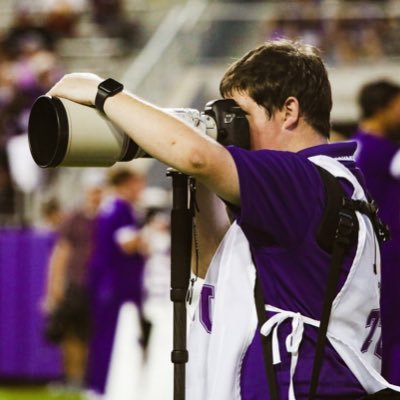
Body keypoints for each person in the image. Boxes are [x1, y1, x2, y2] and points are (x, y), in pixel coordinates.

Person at [46, 39, 400, 398]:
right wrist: (198, 158)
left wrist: (102, 91)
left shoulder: (302, 180)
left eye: (241, 115)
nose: (235, 131)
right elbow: (210, 271)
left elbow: (197, 157)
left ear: (289, 110)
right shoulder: (332, 184)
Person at [85, 167, 148, 398]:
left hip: (105, 281)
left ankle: (97, 386)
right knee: (113, 337)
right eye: (138, 183)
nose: (141, 189)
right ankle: (103, 388)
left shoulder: (109, 206)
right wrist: (149, 234)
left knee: (104, 336)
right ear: (127, 183)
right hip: (116, 284)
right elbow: (126, 244)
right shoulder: (120, 208)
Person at [352, 80, 400, 386]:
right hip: (393, 258)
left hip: (367, 257)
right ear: (382, 108)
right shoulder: (385, 152)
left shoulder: (353, 147)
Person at [42, 175, 103, 391]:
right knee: (71, 333)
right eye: (93, 190)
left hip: (100, 285)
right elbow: (61, 253)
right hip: (77, 282)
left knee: (91, 333)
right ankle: (72, 378)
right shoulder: (75, 217)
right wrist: (53, 286)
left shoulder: (106, 217)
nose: (96, 195)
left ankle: (88, 379)